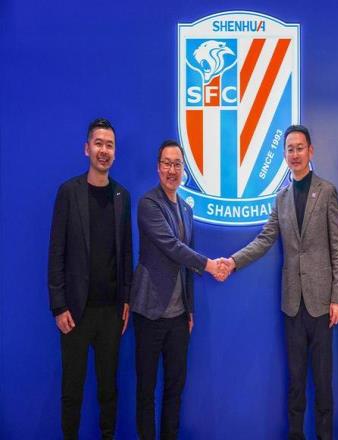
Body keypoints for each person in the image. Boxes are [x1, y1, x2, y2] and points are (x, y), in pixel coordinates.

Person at [221, 125, 338, 440]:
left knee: (323, 383)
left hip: (322, 305)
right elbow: (265, 239)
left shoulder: (327, 191)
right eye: (290, 149)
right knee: (295, 383)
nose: (295, 153)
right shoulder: (281, 198)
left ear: (310, 151)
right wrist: (234, 261)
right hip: (292, 305)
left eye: (300, 147)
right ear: (284, 155)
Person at [130, 139, 225, 440]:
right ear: (158, 168)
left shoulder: (186, 209)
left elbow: (186, 266)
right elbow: (172, 247)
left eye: (177, 164)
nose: (172, 170)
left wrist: (190, 309)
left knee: (175, 388)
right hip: (149, 312)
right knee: (146, 389)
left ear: (184, 170)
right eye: (167, 164)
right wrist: (210, 265)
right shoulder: (148, 204)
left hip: (178, 318)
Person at [48, 118, 133, 439]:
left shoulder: (122, 196)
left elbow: (126, 254)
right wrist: (59, 306)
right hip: (74, 313)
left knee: (108, 390)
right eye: (98, 143)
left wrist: (126, 299)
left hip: (111, 313)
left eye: (109, 145)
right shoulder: (68, 193)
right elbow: (56, 251)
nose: (104, 150)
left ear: (115, 152)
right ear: (87, 149)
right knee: (72, 390)